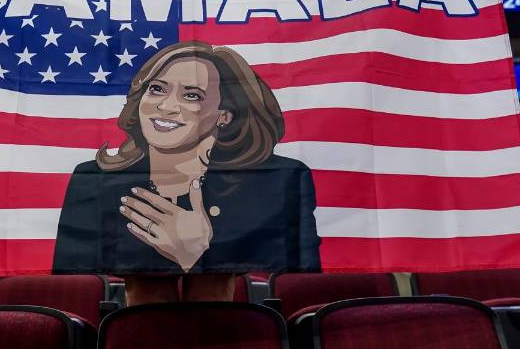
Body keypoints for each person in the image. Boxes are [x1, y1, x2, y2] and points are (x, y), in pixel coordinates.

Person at [52, 40, 322, 305]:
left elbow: (300, 278)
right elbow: (72, 280)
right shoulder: (94, 179)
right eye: (157, 89)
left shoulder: (280, 180)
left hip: (225, 335)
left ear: (225, 115)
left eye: (192, 95)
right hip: (136, 337)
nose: (166, 106)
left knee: (212, 288)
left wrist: (200, 255)